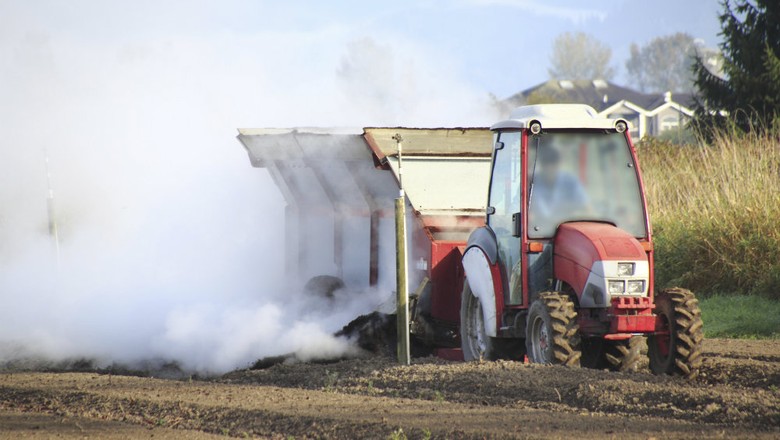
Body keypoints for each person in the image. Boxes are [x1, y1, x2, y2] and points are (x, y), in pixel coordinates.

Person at [529, 146, 589, 228]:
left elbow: (586, 207)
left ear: (558, 164)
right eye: (546, 164)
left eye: (553, 164)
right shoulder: (531, 182)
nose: (549, 168)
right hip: (537, 232)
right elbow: (516, 208)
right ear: (541, 165)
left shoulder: (570, 182)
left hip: (566, 230)